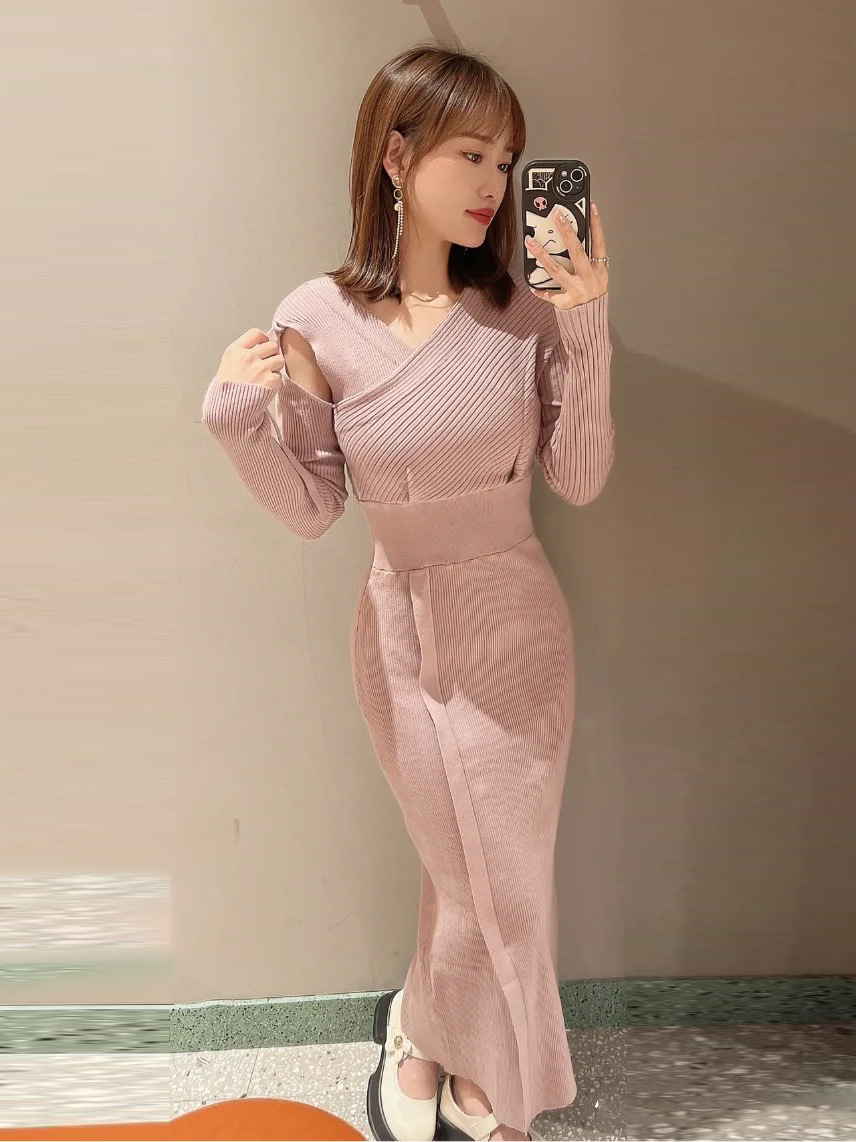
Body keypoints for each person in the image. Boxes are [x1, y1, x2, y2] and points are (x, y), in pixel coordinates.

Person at [202, 41, 613, 1142]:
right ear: (395, 155)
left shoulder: (525, 312)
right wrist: (235, 422)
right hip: (402, 632)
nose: (494, 182)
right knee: (461, 869)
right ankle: (435, 1035)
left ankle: (458, 1053)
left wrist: (586, 324)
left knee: (502, 877)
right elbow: (310, 508)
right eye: (471, 153)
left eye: (507, 159)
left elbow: (578, 476)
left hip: (517, 625)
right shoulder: (316, 317)